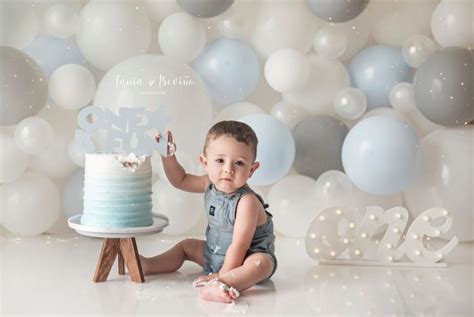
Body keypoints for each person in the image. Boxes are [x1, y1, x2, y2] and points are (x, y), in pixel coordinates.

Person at [140, 120, 277, 303]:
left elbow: (239, 246)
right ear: (205, 162)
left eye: (239, 163)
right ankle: (149, 265)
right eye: (220, 160)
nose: (228, 169)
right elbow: (179, 180)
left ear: (252, 169)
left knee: (262, 263)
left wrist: (220, 276)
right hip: (214, 254)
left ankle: (225, 284)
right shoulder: (208, 184)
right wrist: (168, 156)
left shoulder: (247, 202)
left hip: (245, 258)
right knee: (186, 246)